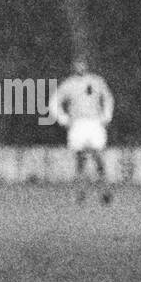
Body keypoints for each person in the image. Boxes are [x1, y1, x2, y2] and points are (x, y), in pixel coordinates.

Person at [49, 59, 114, 204]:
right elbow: (54, 102)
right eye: (78, 64)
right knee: (80, 159)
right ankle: (80, 192)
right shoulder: (68, 84)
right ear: (74, 67)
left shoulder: (97, 81)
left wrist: (106, 116)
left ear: (87, 65)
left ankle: (105, 190)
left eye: (83, 64)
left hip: (94, 122)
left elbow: (108, 98)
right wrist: (63, 119)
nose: (80, 67)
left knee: (98, 157)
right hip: (77, 123)